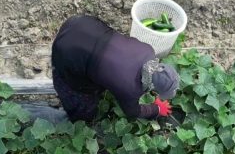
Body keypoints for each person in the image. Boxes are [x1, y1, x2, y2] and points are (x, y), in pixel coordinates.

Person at [51, 15, 179, 122]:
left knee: (98, 76)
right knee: (81, 100)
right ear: (153, 88)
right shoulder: (131, 89)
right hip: (67, 53)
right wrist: (156, 109)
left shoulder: (149, 50)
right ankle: (79, 118)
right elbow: (132, 112)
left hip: (81, 25)